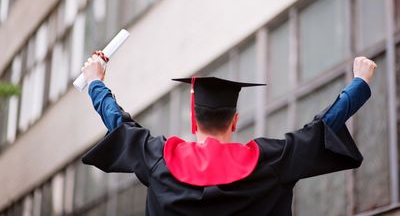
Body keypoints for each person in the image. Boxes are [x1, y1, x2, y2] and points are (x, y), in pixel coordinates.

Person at [81, 53, 377, 216]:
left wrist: (96, 81)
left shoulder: (161, 160)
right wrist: (359, 83)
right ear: (234, 121)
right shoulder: (270, 161)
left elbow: (119, 124)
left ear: (193, 121)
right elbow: (320, 129)